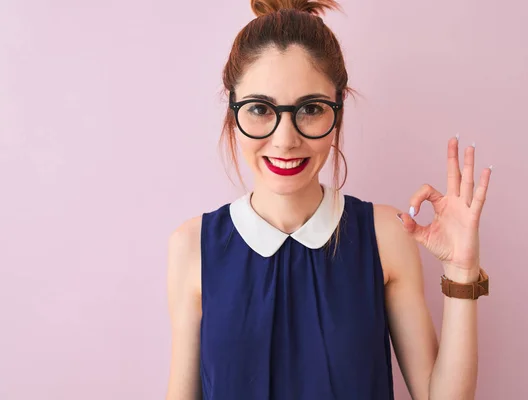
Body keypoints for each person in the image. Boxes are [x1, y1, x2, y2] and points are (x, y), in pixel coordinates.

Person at [166, 1, 493, 399]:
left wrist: (462, 271)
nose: (285, 139)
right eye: (258, 109)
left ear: (337, 112)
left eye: (311, 109)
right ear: (232, 111)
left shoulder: (386, 234)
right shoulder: (191, 246)